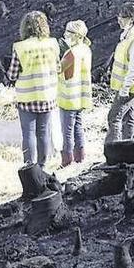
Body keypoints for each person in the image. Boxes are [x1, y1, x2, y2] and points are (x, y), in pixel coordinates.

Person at [6, 11, 60, 167]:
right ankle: (43, 166)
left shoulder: (20, 47)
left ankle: (29, 167)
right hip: (47, 95)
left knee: (28, 134)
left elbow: (13, 74)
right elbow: (57, 67)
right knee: (43, 133)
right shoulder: (52, 44)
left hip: (27, 97)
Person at [104, 2, 134, 148]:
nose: (119, 20)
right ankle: (127, 150)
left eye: (122, 17)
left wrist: (125, 87)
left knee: (114, 117)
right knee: (129, 118)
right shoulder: (128, 34)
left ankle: (113, 151)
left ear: (131, 18)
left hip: (130, 87)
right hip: (129, 86)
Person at [57, 20, 93, 167]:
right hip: (80, 97)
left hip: (68, 98)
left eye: (69, 32)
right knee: (78, 127)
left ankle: (67, 160)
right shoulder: (86, 49)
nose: (65, 34)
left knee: (67, 130)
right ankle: (80, 157)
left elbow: (58, 69)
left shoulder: (71, 52)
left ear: (77, 36)